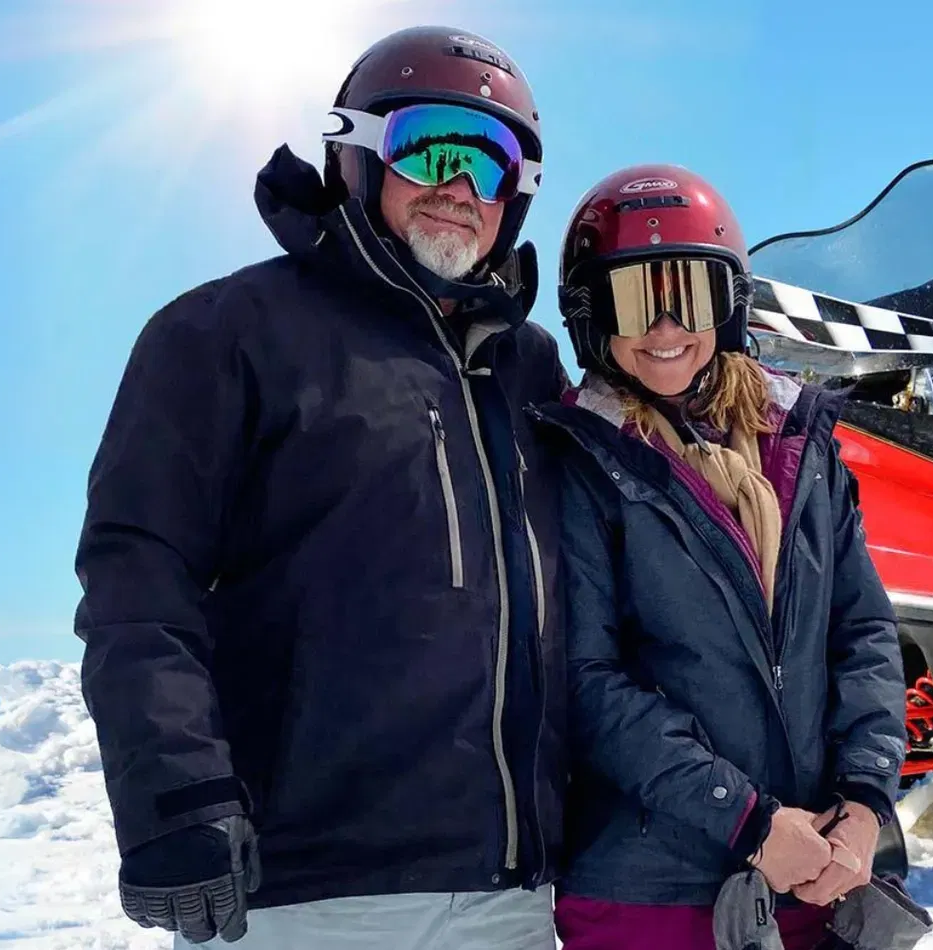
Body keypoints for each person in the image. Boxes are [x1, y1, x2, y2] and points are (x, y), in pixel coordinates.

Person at [72, 25, 569, 948]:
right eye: (430, 148)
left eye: (491, 163)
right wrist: (176, 796)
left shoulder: (528, 369)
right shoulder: (228, 332)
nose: (460, 187)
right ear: (356, 152)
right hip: (305, 892)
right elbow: (138, 575)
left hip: (510, 900)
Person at [529, 165, 915, 949]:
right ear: (591, 316)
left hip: (813, 880)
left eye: (690, 295)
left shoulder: (800, 447)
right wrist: (748, 821)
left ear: (729, 304)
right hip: (650, 894)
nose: (666, 326)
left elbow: (863, 634)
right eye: (635, 300)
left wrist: (864, 801)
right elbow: (587, 682)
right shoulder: (580, 460)